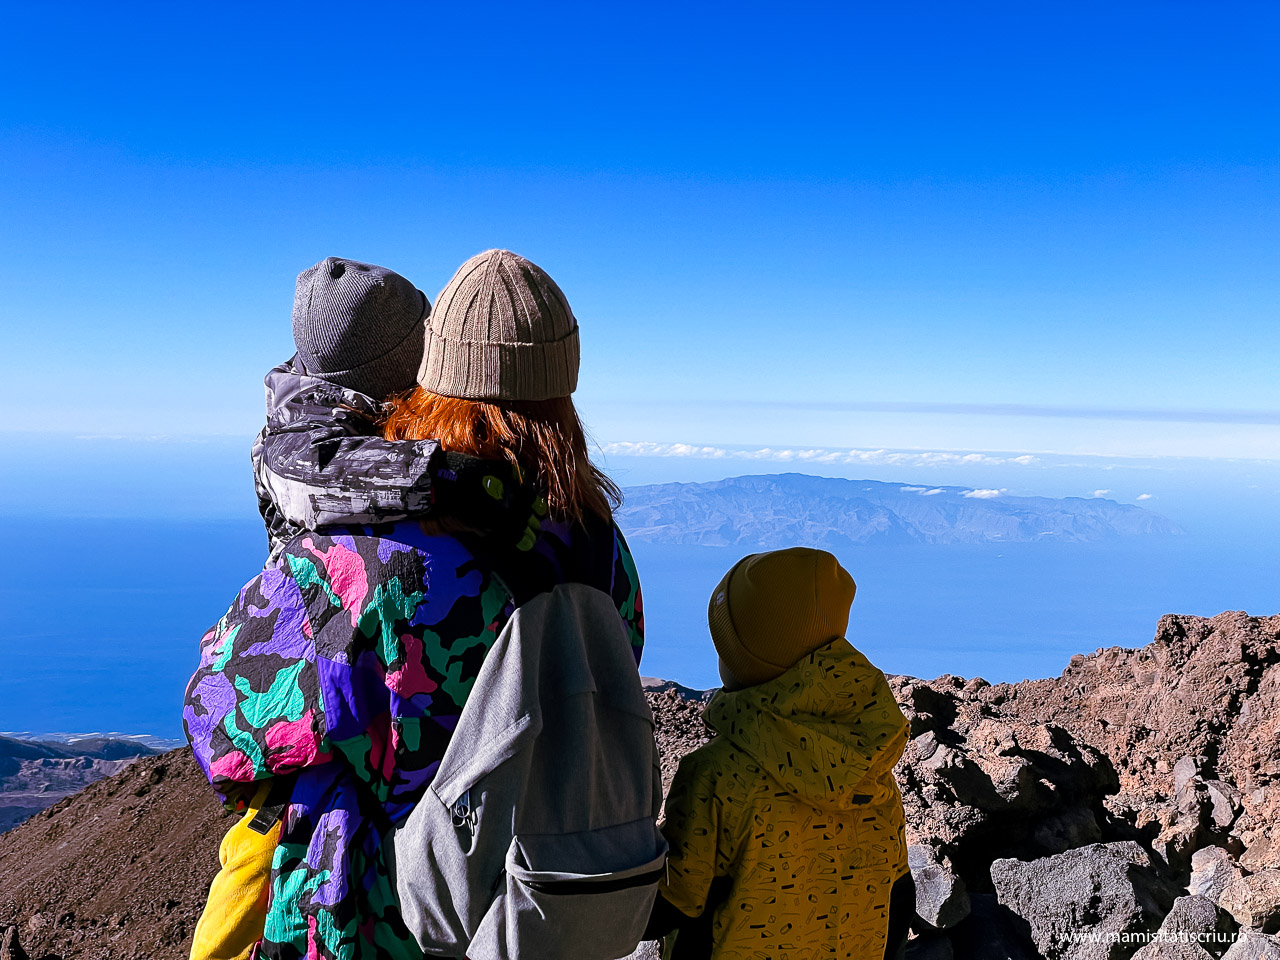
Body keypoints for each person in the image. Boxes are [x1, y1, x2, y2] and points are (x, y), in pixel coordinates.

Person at [184, 249, 644, 960]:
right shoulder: (599, 544)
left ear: (432, 368)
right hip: (542, 910)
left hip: (383, 919)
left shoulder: (362, 562)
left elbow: (222, 721)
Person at [644, 548, 913, 960]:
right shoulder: (870, 767)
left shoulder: (715, 776)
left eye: (726, 646)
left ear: (749, 661)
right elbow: (898, 898)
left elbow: (669, 905)